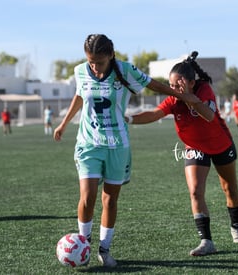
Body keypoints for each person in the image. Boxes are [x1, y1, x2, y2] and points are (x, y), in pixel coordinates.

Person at [53, 34, 198, 267]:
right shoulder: (80, 71)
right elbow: (79, 96)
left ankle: (104, 250)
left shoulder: (126, 70)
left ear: (110, 55)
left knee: (110, 200)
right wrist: (63, 123)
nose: (95, 66)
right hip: (89, 143)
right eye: (91, 61)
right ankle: (84, 243)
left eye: (99, 62)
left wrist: (182, 96)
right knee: (87, 197)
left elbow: (154, 84)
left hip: (118, 145)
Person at [126, 52, 238, 256]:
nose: (173, 90)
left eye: (177, 85)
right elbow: (154, 114)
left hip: (221, 144)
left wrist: (192, 100)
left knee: (230, 189)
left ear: (191, 82)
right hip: (194, 147)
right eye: (170, 86)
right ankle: (206, 241)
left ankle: (235, 226)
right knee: (195, 191)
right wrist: (127, 119)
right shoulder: (173, 100)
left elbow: (208, 115)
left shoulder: (204, 89)